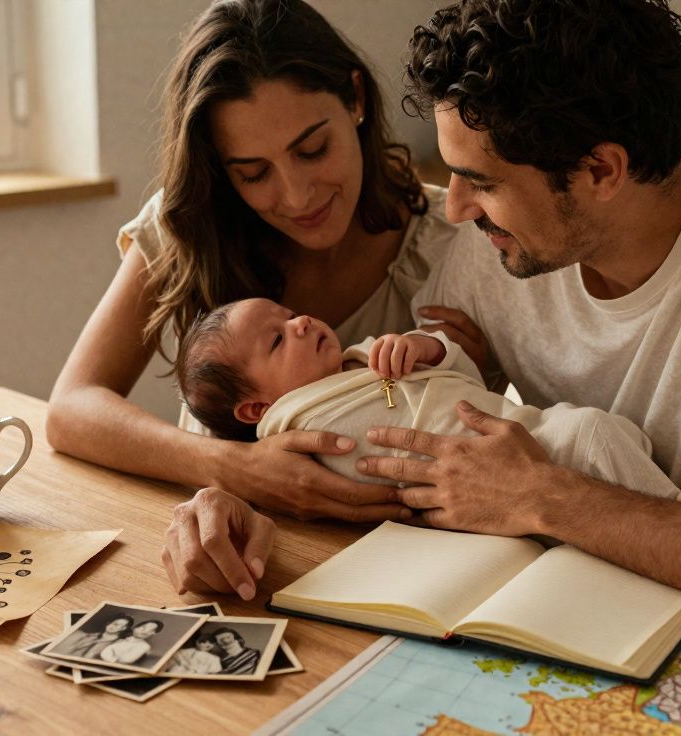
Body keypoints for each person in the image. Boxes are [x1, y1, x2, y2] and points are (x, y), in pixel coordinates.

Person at [163, 0, 681, 644]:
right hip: (600, 628)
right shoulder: (490, 255)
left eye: (480, 181)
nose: (451, 208)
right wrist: (234, 497)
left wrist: (545, 496)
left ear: (602, 172)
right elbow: (393, 433)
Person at [47, 0, 487, 533]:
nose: (297, 196)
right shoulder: (191, 225)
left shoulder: (455, 234)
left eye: (314, 148)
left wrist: (477, 367)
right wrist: (234, 468)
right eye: (253, 173)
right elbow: (72, 407)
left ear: (356, 98)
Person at [175, 297, 681, 504]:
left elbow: (469, 378)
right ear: (255, 411)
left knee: (609, 434)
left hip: (522, 428)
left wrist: (424, 347)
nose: (299, 324)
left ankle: (669, 502)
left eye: (287, 313)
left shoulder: (363, 354)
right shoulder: (298, 436)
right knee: (591, 437)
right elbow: (368, 482)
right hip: (485, 473)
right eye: (277, 340)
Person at [59, 614, 133, 659]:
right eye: (112, 622)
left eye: (117, 625)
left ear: (124, 628)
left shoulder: (117, 644)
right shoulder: (87, 636)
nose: (112, 625)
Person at [100, 620, 164, 666]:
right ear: (135, 627)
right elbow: (105, 652)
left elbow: (126, 660)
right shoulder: (121, 638)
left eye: (151, 630)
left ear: (153, 633)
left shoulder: (144, 646)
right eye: (143, 627)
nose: (145, 631)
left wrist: (112, 659)